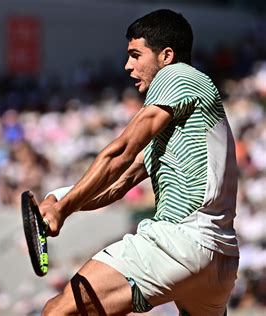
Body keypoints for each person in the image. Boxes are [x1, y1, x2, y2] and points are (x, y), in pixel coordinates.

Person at [39, 9, 239, 316]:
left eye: (136, 55)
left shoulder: (178, 75)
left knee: (60, 310)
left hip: (181, 241)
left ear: (166, 56)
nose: (128, 66)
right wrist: (61, 197)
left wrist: (61, 211)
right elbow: (118, 184)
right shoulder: (178, 129)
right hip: (219, 262)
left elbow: (121, 154)